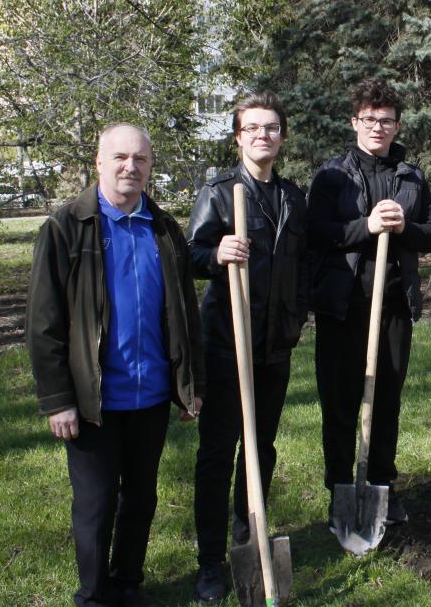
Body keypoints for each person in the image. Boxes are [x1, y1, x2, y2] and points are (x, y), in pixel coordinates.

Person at [25, 123, 204, 607]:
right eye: (121, 157)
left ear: (150, 166)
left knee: (141, 501)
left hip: (150, 396)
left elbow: (185, 314)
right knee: (96, 505)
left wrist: (189, 387)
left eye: (141, 159)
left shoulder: (165, 229)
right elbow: (44, 325)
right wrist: (58, 400)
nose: (131, 167)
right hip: (92, 401)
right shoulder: (66, 228)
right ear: (98, 162)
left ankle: (128, 583)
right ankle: (94, 596)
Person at [186, 93, 308, 602]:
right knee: (218, 452)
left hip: (275, 343)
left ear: (281, 135)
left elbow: (301, 262)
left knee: (261, 446)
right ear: (238, 136)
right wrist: (216, 252)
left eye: (272, 127)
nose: (264, 135)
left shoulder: (292, 198)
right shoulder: (219, 192)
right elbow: (189, 254)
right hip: (226, 343)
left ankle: (247, 528)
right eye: (253, 128)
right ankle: (211, 561)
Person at [307, 78, 431, 526]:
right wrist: (365, 226)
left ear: (397, 125)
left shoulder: (410, 176)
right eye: (369, 119)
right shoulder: (331, 177)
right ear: (355, 122)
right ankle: (339, 490)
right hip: (343, 307)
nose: (377, 127)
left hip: (393, 306)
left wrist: (405, 228)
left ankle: (383, 485)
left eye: (386, 120)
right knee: (341, 403)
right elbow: (318, 233)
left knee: (386, 400)